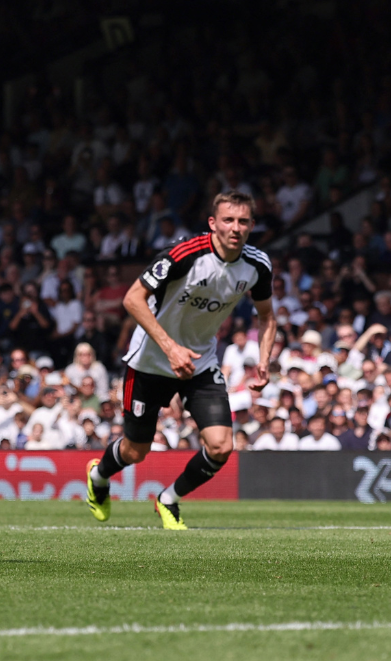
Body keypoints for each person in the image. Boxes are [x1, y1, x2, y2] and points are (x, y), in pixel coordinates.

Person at [85, 192, 276, 529]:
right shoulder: (185, 254)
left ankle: (168, 499)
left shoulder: (257, 265)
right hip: (150, 361)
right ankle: (98, 476)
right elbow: (132, 300)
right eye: (228, 220)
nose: (236, 228)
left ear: (252, 226)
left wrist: (264, 360)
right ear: (213, 223)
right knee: (135, 452)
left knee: (220, 447)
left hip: (200, 363)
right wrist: (171, 348)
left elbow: (266, 316)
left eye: (243, 221)